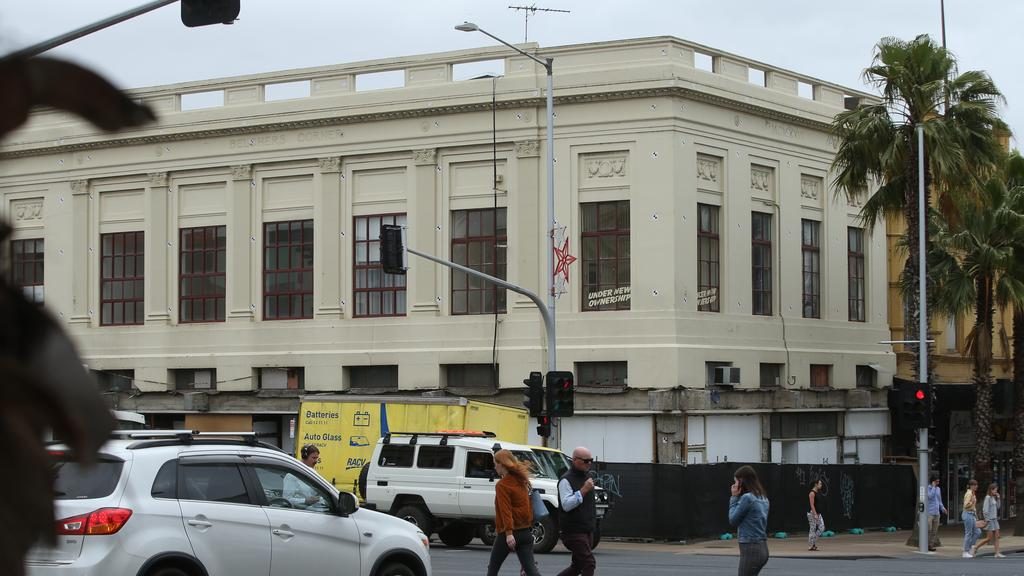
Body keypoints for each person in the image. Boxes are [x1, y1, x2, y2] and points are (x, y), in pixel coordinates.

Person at [485, 449, 541, 576]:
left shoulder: (502, 485)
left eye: (495, 463)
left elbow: (506, 511)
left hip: (508, 534)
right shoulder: (522, 481)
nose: (494, 467)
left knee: (493, 568)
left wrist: (509, 533)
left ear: (501, 464)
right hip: (526, 532)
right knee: (531, 570)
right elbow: (526, 505)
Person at [556, 447, 597, 576]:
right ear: (574, 460)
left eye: (591, 460)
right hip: (573, 531)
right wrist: (583, 490)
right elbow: (566, 505)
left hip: (587, 530)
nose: (589, 463)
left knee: (577, 566)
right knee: (589, 563)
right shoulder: (565, 480)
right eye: (586, 461)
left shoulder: (588, 477)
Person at [728, 465, 770, 576]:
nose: (734, 485)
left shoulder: (747, 498)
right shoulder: (763, 497)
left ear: (742, 481)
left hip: (751, 548)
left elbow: (733, 520)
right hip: (762, 547)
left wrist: (734, 497)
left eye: (736, 481)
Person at [284, 444, 325, 509]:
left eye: (317, 458)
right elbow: (286, 499)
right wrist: (305, 501)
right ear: (305, 457)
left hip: (311, 509)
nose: (316, 461)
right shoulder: (292, 475)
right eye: (313, 458)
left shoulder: (312, 472)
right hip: (298, 511)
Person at [972, 483, 1004, 558]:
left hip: (995, 520)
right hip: (990, 520)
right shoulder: (988, 498)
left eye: (996, 490)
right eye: (995, 490)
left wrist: (998, 498)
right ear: (991, 490)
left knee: (997, 537)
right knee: (989, 538)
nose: (996, 491)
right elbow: (985, 510)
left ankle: (997, 553)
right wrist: (987, 519)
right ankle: (976, 547)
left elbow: (998, 507)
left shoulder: (993, 498)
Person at [925, 473, 947, 551]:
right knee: (928, 529)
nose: (938, 483)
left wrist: (942, 508)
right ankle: (925, 544)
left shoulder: (938, 489)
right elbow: (930, 496)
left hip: (937, 512)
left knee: (934, 530)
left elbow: (939, 500)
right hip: (929, 513)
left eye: (938, 482)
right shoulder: (928, 488)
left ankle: (930, 545)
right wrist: (933, 487)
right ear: (932, 481)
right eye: (936, 482)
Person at [961, 479, 981, 558]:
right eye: (975, 485)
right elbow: (966, 505)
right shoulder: (969, 494)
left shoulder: (972, 493)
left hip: (972, 514)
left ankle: (969, 547)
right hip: (967, 514)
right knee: (968, 533)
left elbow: (973, 507)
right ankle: (965, 551)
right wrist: (972, 502)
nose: (976, 486)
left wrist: (976, 516)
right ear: (971, 486)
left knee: (978, 531)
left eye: (976, 485)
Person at [807, 479, 825, 551]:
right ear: (816, 484)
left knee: (822, 527)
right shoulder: (812, 493)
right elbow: (812, 504)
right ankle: (811, 545)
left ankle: (813, 542)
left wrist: (818, 513)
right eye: (820, 484)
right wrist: (815, 514)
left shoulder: (818, 492)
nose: (821, 485)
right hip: (812, 513)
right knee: (813, 528)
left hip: (818, 513)